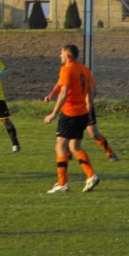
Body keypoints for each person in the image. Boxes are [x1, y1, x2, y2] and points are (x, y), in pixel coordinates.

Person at [44, 44, 100, 193]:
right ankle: (91, 176)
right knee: (75, 147)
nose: (59, 56)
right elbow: (92, 90)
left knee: (60, 146)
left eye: (61, 54)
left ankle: (62, 183)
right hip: (82, 113)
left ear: (68, 56)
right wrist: (88, 106)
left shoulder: (66, 69)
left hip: (69, 114)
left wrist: (53, 114)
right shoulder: (83, 68)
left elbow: (64, 92)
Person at [45, 82, 119, 162]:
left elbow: (92, 92)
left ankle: (110, 153)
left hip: (84, 108)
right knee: (66, 132)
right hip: (69, 109)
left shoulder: (84, 73)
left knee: (93, 133)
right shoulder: (67, 71)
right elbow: (60, 84)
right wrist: (51, 94)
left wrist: (88, 112)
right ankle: (68, 153)